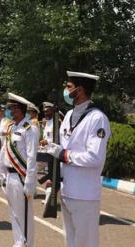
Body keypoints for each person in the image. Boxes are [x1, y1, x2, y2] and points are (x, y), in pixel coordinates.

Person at [46, 71, 111, 247]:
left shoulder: (97, 118)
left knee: (86, 242)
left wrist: (64, 155)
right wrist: (53, 179)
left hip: (85, 194)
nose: (65, 91)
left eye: (69, 87)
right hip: (67, 190)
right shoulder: (68, 116)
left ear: (79, 90)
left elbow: (95, 157)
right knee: (70, 241)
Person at [0, 93, 40, 246]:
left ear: (18, 110)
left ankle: (27, 243)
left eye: (11, 108)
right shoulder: (12, 127)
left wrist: (30, 181)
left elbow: (32, 157)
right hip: (10, 176)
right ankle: (18, 242)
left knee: (24, 214)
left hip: (21, 176)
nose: (9, 112)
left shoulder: (30, 129)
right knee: (14, 212)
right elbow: (4, 150)